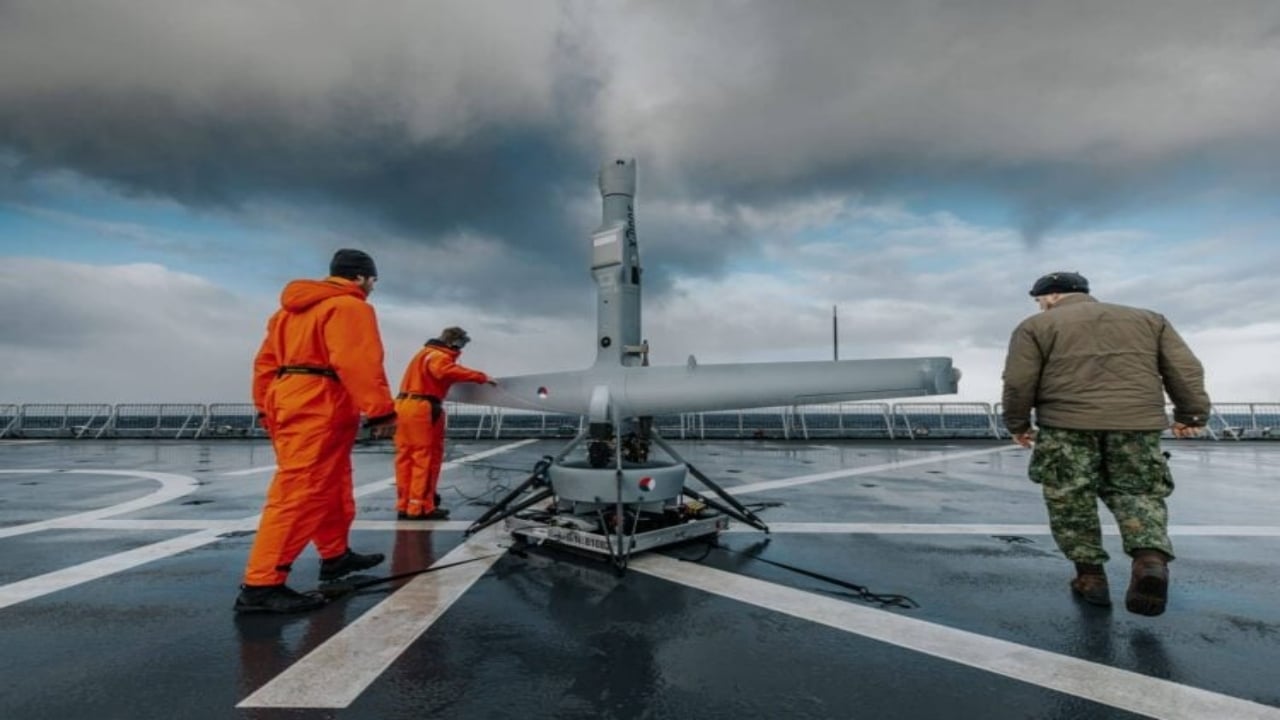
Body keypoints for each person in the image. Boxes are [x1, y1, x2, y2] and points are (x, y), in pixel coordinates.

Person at [1001, 271, 1210, 617]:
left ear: (1051, 296)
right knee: (1139, 493)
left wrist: (1018, 424)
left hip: (1067, 424)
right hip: (1136, 424)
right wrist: (1192, 415)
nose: (1040, 306)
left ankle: (1091, 578)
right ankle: (1150, 560)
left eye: (1039, 300)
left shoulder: (1034, 327)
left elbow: (1018, 381)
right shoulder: (1149, 319)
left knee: (1071, 499)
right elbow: (1184, 369)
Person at [235, 248, 398, 614]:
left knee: (331, 482)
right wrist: (381, 411)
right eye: (372, 280)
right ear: (359, 277)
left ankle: (335, 555)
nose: (372, 287)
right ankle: (261, 586)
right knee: (300, 491)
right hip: (319, 402)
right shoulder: (350, 307)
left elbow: (265, 364)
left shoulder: (285, 313)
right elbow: (358, 361)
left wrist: (265, 406)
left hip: (289, 398)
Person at [394, 326, 494, 519]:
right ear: (454, 342)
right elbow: (443, 371)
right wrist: (481, 377)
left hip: (403, 406)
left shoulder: (423, 354)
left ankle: (405, 504)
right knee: (426, 458)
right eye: (461, 345)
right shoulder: (439, 356)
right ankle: (421, 507)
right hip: (423, 409)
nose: (460, 350)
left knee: (406, 458)